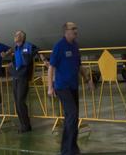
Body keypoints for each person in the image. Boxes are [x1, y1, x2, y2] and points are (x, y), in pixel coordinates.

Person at [47, 22, 83, 155]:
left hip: (73, 86)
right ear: (66, 31)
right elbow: (51, 67)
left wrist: (87, 79)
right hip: (62, 87)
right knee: (72, 114)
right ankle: (67, 150)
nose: (76, 30)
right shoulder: (59, 46)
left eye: (76, 28)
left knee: (73, 117)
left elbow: (79, 65)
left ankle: (71, 147)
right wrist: (50, 87)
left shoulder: (75, 46)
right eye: (73, 28)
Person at [8, 30, 38, 133]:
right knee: (17, 102)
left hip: (23, 78)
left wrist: (40, 57)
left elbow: (36, 50)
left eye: (17, 35)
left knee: (21, 101)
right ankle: (23, 124)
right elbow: (16, 61)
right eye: (15, 34)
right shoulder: (16, 48)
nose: (15, 36)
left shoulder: (28, 46)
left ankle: (26, 125)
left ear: (22, 37)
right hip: (16, 77)